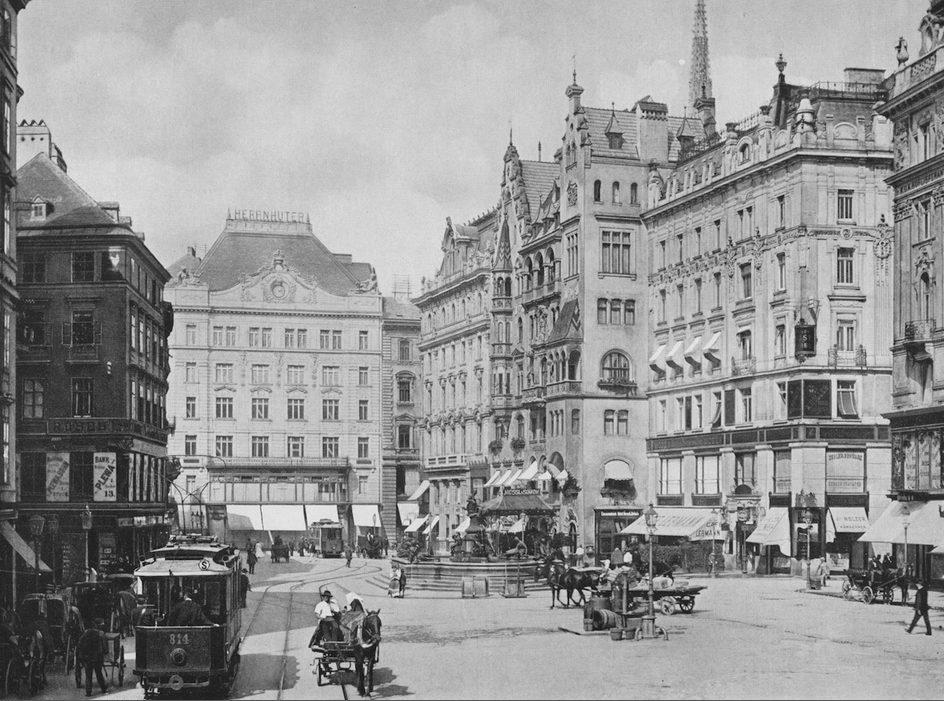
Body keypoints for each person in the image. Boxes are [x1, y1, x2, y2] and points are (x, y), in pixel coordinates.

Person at [75, 618, 108, 697]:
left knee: (88, 675)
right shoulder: (101, 633)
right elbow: (105, 648)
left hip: (87, 657)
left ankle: (88, 692)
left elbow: (79, 644)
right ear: (99, 625)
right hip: (97, 657)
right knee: (99, 673)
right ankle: (103, 689)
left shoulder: (86, 632)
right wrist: (105, 653)